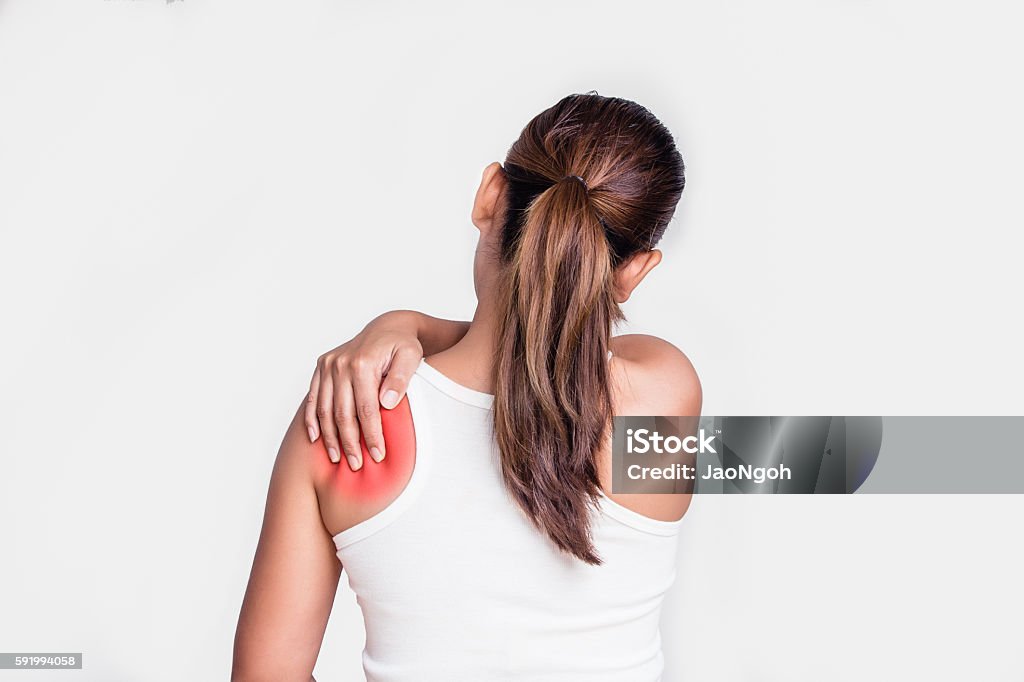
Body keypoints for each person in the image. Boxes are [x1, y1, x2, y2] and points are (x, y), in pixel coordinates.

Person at [233, 93, 701, 682]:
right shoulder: (661, 403)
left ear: (489, 197)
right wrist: (411, 328)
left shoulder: (347, 423)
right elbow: (835, 463)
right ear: (634, 270)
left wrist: (403, 324)